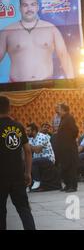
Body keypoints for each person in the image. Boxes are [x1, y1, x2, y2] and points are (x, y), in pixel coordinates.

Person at [0, 0, 74, 82]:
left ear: (37, 7)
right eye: (25, 5)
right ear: (20, 8)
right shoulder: (7, 31)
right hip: (16, 88)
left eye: (33, 5)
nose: (29, 9)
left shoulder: (51, 29)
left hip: (46, 86)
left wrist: (72, 82)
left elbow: (63, 55)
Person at [0, 96, 36, 230]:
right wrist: (27, 172)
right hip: (17, 175)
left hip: (1, 176)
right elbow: (27, 151)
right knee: (24, 209)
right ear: (9, 108)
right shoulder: (18, 126)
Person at [55, 104, 79, 193]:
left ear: (64, 110)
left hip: (69, 147)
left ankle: (73, 186)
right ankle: (68, 185)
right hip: (63, 148)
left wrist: (68, 140)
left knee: (71, 167)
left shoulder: (69, 118)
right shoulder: (63, 118)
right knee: (65, 167)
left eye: (59, 109)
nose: (57, 111)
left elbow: (75, 131)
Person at [26, 123, 56, 191]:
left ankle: (37, 181)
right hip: (38, 160)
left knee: (33, 161)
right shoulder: (30, 139)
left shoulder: (42, 137)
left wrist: (26, 145)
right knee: (26, 162)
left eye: (28, 131)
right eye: (26, 130)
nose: (26, 132)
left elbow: (37, 150)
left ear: (34, 131)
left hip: (48, 159)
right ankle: (28, 184)